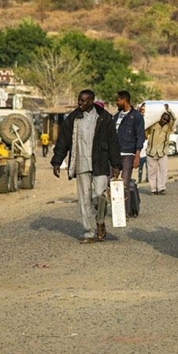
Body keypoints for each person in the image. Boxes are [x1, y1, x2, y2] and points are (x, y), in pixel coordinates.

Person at [51, 90, 122, 243]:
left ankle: (100, 220)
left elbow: (113, 142)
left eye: (83, 101)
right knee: (84, 199)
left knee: (100, 195)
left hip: (100, 163)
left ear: (91, 101)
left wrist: (116, 164)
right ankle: (88, 232)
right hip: (81, 164)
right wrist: (57, 161)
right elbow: (63, 140)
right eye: (79, 100)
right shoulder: (73, 118)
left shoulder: (104, 117)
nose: (80, 103)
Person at [115, 91, 145, 196]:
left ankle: (126, 206)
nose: (116, 103)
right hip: (115, 154)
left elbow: (140, 136)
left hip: (128, 154)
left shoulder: (136, 116)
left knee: (125, 183)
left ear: (124, 100)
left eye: (118, 100)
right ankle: (115, 205)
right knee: (111, 182)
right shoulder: (116, 116)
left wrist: (137, 155)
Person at [145, 111, 174, 195]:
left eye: (167, 120)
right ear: (161, 117)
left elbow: (174, 119)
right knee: (152, 172)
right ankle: (153, 189)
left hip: (162, 152)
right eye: (164, 119)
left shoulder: (168, 127)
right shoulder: (153, 125)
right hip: (151, 151)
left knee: (163, 171)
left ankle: (161, 188)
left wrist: (169, 110)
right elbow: (145, 130)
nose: (165, 121)